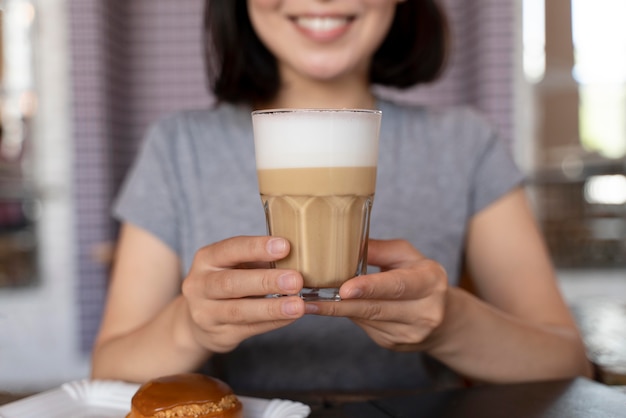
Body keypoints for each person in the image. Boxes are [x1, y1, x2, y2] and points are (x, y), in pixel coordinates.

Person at [90, 0, 592, 392]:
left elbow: (568, 363)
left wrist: (449, 323)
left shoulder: (465, 143)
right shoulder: (178, 147)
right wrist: (190, 328)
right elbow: (107, 372)